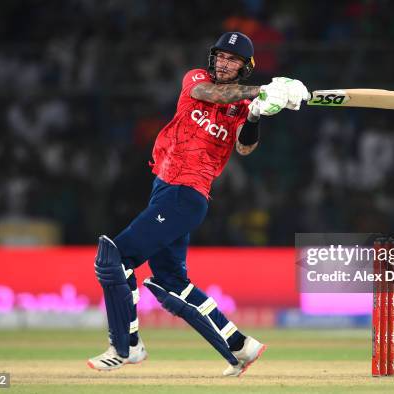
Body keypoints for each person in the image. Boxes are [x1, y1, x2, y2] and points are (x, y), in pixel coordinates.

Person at [87, 32, 309, 377]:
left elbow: (245, 148)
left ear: (245, 66)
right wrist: (262, 91)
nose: (223, 62)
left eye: (232, 59)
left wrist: (256, 114)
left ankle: (126, 345)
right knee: (169, 282)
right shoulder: (197, 79)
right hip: (164, 189)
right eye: (220, 56)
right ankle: (238, 345)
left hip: (186, 194)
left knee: (115, 257)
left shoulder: (245, 106)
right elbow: (209, 94)